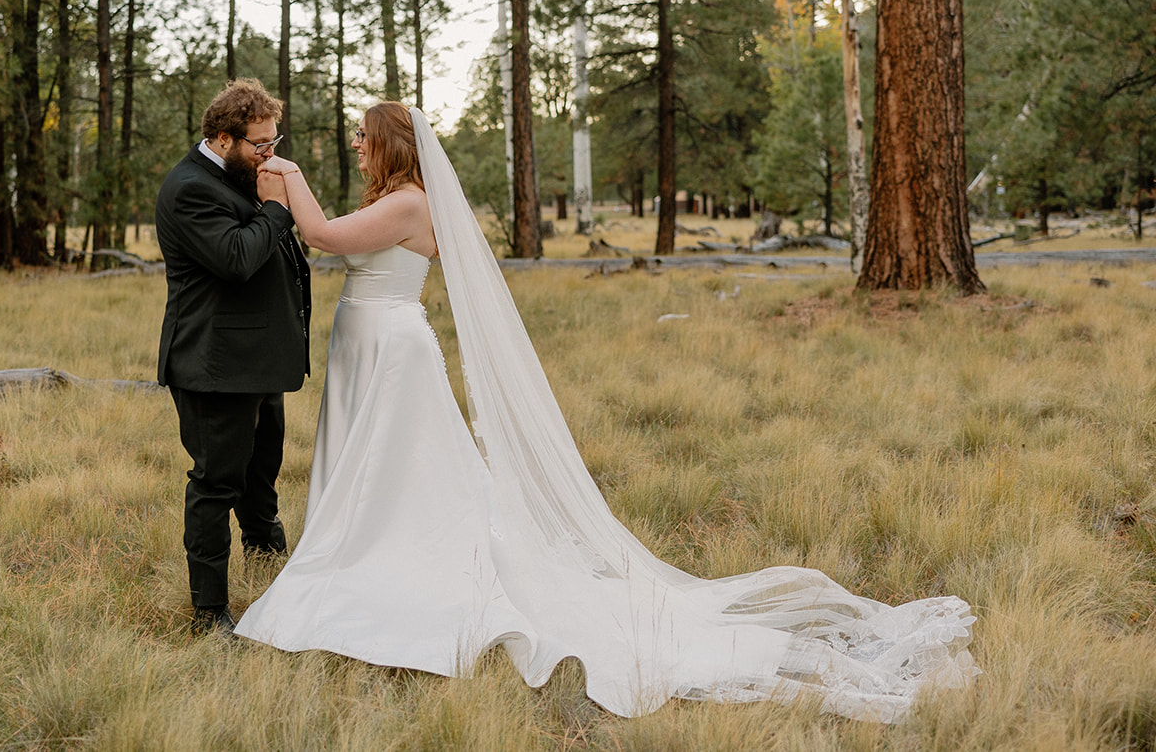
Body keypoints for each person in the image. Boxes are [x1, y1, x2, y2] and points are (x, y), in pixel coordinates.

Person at [236, 101, 976, 721]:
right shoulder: (387, 199)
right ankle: (354, 550)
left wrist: (290, 178)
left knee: (401, 474)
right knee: (372, 472)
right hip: (363, 348)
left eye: (364, 135)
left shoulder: (409, 201)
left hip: (392, 353)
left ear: (391, 145)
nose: (356, 145)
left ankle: (381, 568)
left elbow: (325, 237)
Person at [155, 78, 311, 636]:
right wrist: (276, 208)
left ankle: (274, 583)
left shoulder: (239, 176)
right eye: (260, 144)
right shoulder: (190, 188)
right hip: (214, 365)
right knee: (216, 483)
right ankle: (210, 614)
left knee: (260, 479)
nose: (271, 153)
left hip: (257, 361)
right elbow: (238, 258)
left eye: (275, 141)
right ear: (224, 139)